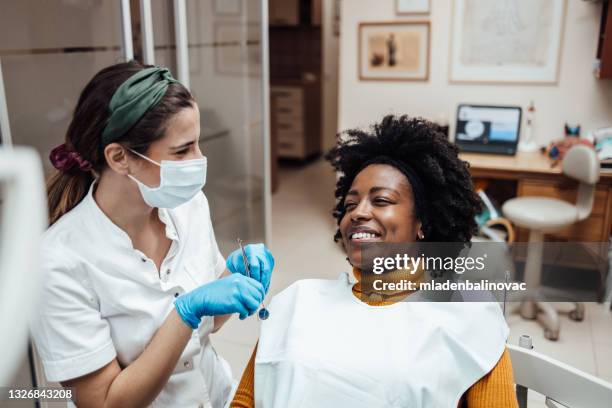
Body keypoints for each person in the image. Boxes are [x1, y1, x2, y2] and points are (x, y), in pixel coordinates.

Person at [31, 61, 275, 408]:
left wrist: (236, 279)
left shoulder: (189, 207)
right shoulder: (58, 261)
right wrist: (185, 311)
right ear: (119, 157)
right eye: (182, 150)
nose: (199, 159)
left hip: (217, 396)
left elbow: (210, 325)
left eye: (197, 144)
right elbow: (105, 402)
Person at [231, 115, 518, 407]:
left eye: (380, 200)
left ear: (422, 223)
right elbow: (245, 401)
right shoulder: (296, 302)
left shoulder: (468, 319)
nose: (357, 214)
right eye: (350, 205)